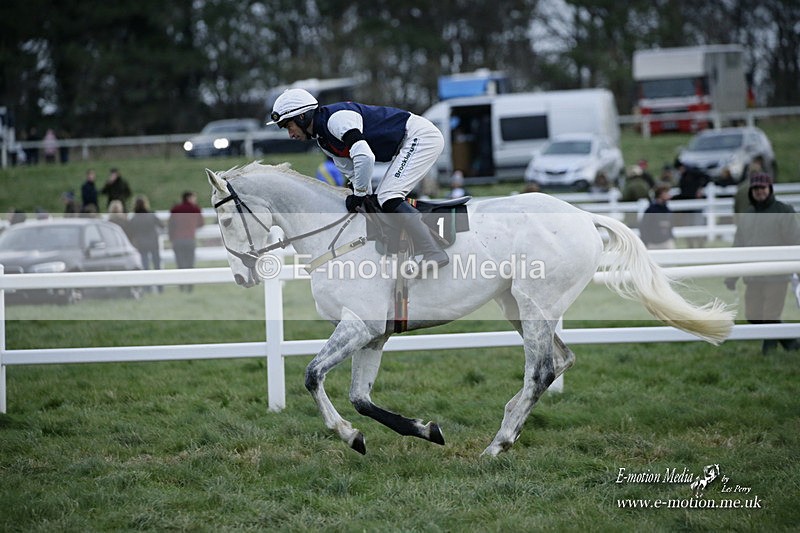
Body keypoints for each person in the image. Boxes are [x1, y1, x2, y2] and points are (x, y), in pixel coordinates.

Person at [267, 88, 448, 273]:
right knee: (377, 199)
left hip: (420, 137)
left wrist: (359, 194)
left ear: (302, 117)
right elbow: (353, 173)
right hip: (407, 143)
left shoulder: (336, 120)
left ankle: (433, 251)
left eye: (289, 126)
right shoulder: (324, 141)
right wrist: (361, 194)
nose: (290, 134)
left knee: (389, 196)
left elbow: (364, 156)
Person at [724, 172, 800, 354]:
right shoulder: (747, 215)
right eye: (756, 188)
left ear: (770, 189)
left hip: (777, 275)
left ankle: (769, 353)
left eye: (763, 188)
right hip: (753, 276)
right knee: (752, 315)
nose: (759, 192)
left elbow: (795, 241)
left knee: (770, 315)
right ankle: (791, 343)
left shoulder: (784, 211)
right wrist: (731, 277)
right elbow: (738, 247)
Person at [129, 195, 165, 292]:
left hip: (141, 244)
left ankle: (147, 288)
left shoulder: (134, 218)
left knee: (145, 267)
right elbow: (162, 226)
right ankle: (160, 287)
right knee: (157, 266)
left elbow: (131, 232)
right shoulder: (151, 215)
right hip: (153, 243)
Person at [169, 191, 204, 292]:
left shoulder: (175, 209)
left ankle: (181, 286)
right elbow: (201, 223)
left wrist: (171, 238)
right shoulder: (195, 209)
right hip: (189, 239)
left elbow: (171, 225)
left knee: (180, 264)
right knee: (190, 263)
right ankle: (190, 287)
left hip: (177, 240)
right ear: (189, 198)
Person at [639, 184, 675, 249]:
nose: (669, 195)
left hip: (666, 241)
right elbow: (644, 227)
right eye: (666, 193)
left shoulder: (667, 210)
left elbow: (670, 226)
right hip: (653, 243)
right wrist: (646, 241)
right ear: (660, 194)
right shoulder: (650, 210)